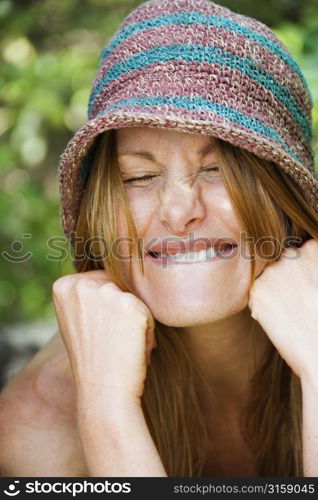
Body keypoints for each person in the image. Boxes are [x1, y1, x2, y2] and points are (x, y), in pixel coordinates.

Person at [0, 0, 318, 478]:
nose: (178, 211)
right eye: (139, 177)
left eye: (216, 171)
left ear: (285, 197)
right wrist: (107, 410)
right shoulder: (37, 421)